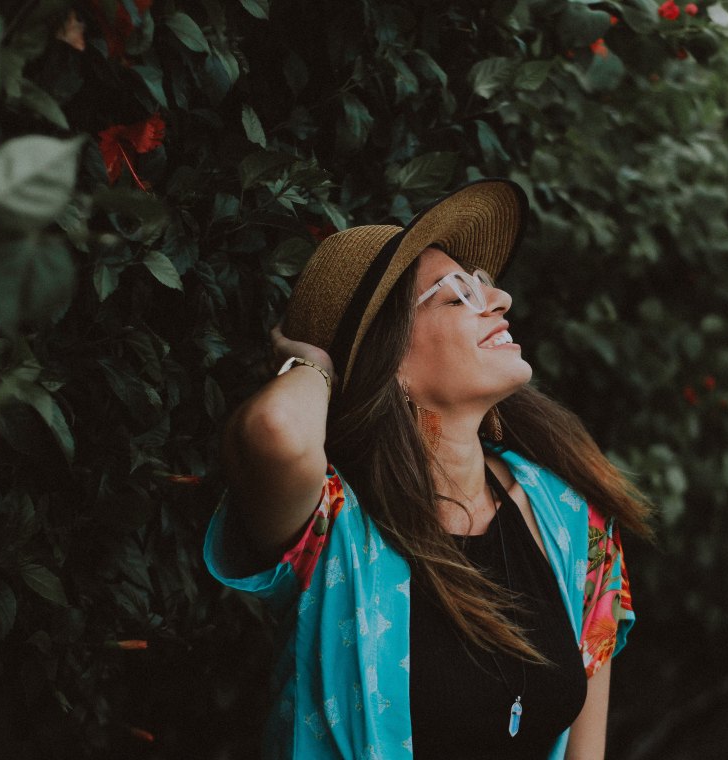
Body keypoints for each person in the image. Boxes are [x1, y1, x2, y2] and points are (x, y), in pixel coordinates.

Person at [204, 179, 652, 759]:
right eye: (455, 295)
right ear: (390, 362)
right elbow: (274, 433)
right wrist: (317, 363)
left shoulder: (572, 521)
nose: (500, 301)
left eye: (484, 285)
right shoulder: (332, 526)